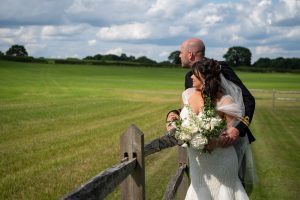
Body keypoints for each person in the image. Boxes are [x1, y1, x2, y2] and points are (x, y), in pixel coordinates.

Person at [181, 59, 252, 199]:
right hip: (197, 160)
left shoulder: (225, 100)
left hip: (221, 158)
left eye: (194, 74)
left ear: (204, 77)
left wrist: (216, 141)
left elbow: (229, 134)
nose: (191, 77)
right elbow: (182, 118)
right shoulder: (188, 95)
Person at [179, 38, 255, 146]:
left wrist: (239, 128)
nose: (179, 56)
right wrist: (172, 115)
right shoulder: (188, 77)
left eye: (181, 52)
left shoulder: (220, 68)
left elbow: (248, 99)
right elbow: (190, 106)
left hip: (229, 140)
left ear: (190, 55)